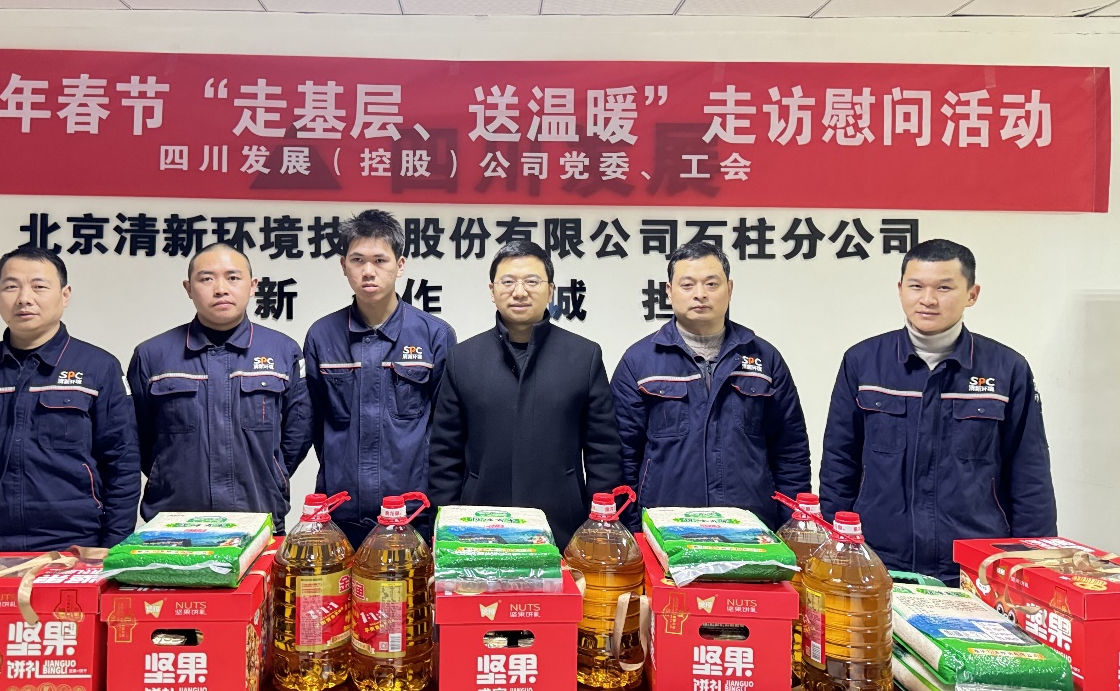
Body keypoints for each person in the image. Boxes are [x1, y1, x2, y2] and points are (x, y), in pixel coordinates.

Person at [820, 238, 1056, 584]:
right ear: (900, 289)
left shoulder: (1007, 369)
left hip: (975, 565)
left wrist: (1034, 565)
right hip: (879, 560)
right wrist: (836, 545)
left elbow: (1029, 473)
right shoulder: (863, 362)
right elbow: (839, 462)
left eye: (944, 288)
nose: (928, 299)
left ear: (972, 294)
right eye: (916, 286)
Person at [0, 247, 139, 559]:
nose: (24, 298)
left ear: (65, 295)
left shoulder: (98, 367)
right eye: (11, 286)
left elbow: (122, 464)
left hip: (74, 550)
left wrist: (111, 549)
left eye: (39, 286)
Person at [427, 240, 622, 549]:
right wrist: (446, 527)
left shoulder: (583, 356)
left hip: (563, 525)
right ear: (492, 291)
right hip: (480, 525)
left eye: (532, 281)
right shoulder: (463, 358)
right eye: (508, 282)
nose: (519, 292)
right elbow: (444, 454)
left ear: (551, 290)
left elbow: (604, 452)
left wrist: (598, 527)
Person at [610, 242, 810, 531]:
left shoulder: (765, 359)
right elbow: (622, 456)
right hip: (664, 526)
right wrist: (633, 530)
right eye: (687, 284)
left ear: (730, 289)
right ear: (669, 291)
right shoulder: (639, 362)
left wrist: (790, 526)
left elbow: (790, 452)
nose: (700, 294)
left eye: (711, 284)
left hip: (751, 528)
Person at [128, 242, 312, 532]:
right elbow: (138, 438)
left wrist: (273, 472)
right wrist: (164, 472)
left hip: (258, 516)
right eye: (206, 279)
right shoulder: (152, 355)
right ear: (188, 288)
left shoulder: (283, 351)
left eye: (233, 277)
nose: (221, 289)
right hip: (173, 522)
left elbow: (298, 431)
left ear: (253, 286)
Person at [303, 210, 455, 547]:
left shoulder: (434, 336)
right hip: (339, 512)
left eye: (380, 260)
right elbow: (315, 422)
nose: (368, 271)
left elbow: (446, 428)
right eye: (357, 260)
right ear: (344, 265)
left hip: (413, 513)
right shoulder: (321, 336)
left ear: (400, 265)